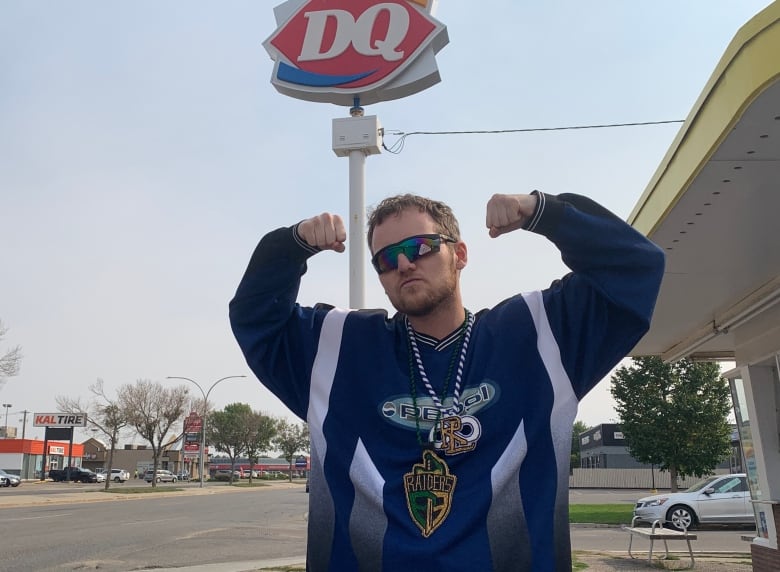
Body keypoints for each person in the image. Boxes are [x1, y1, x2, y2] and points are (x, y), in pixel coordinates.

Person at [230, 191, 664, 571]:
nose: (402, 263)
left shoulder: (539, 333)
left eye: (420, 246)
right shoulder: (337, 347)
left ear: (459, 254)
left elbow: (636, 268)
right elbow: (256, 318)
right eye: (385, 258)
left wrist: (545, 211)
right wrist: (289, 246)